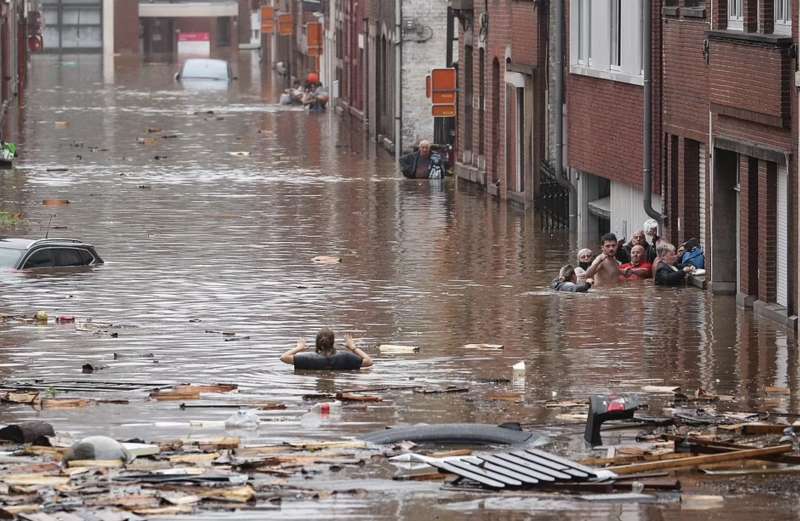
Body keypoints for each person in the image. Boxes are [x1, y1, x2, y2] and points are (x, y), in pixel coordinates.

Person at [280, 328, 373, 370]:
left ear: (317, 342)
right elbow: (369, 361)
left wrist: (298, 348)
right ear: (333, 342)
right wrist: (353, 347)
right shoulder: (347, 357)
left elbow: (283, 357)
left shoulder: (306, 358)